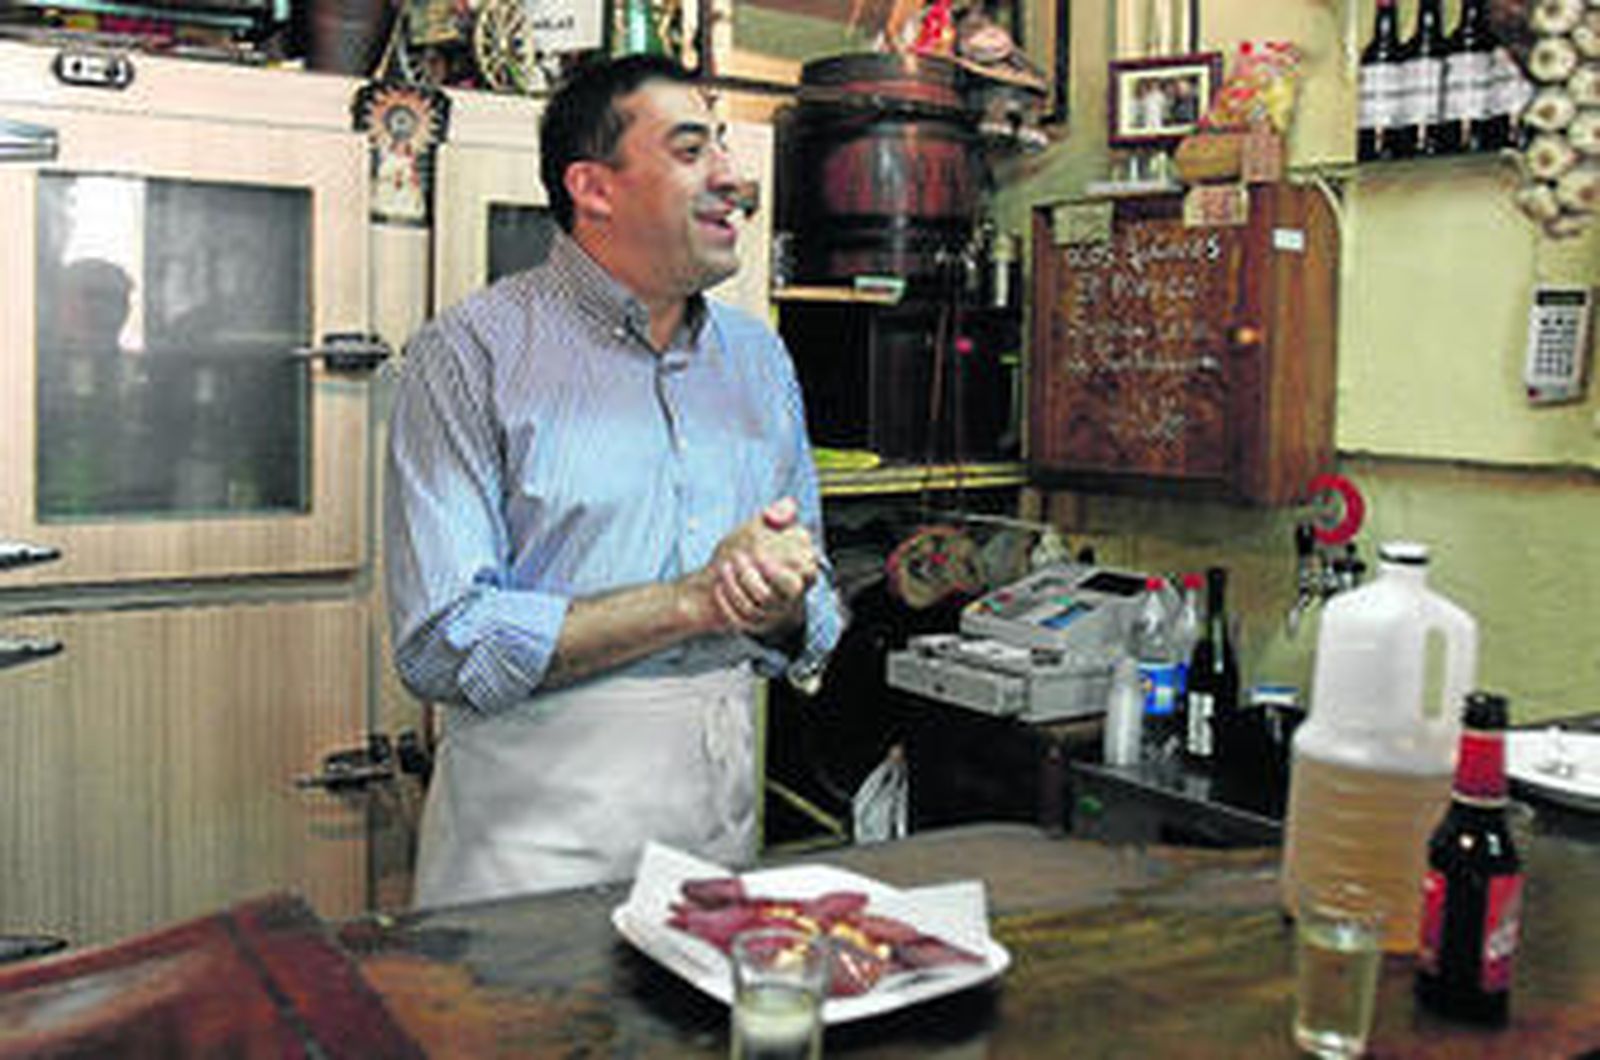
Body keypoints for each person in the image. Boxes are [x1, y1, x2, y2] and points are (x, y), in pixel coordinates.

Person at [384, 54, 845, 908]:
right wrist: (694, 601)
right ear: (594, 188)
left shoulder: (759, 359)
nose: (732, 181)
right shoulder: (471, 354)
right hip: (528, 845)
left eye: (725, 151)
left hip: (718, 824)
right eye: (690, 150)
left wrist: (780, 601)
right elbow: (443, 638)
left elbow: (816, 617)